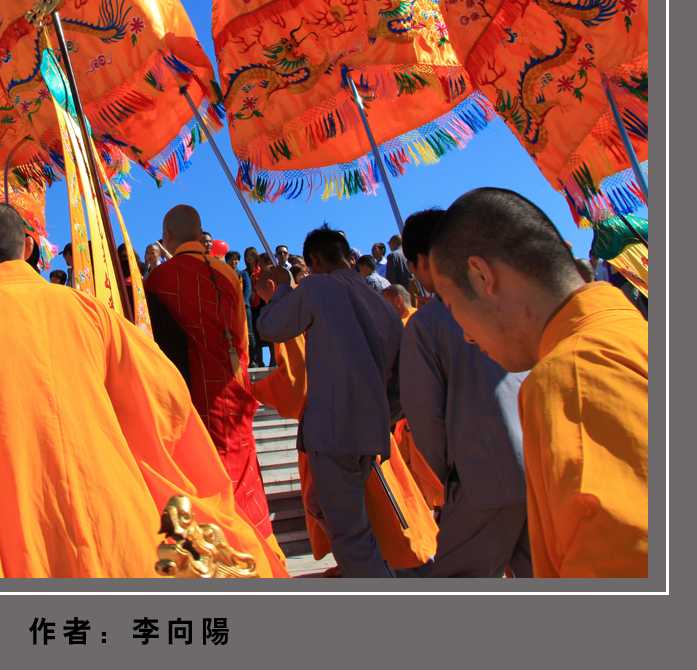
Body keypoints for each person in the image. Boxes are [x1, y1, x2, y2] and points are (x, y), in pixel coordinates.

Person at [0, 203, 289, 578]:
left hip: (25, 506)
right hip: (111, 502)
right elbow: (164, 391)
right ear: (28, 248)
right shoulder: (88, 308)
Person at [429, 188, 647, 578]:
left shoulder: (571, 376)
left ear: (481, 277)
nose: (465, 335)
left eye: (451, 306)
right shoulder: (630, 329)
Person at [256, 226, 404, 577]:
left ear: (316, 260)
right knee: (331, 509)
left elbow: (271, 327)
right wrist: (383, 417)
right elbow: (401, 378)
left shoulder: (317, 287)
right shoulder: (380, 304)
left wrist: (277, 293)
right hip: (370, 429)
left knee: (350, 532)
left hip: (334, 428)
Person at [395, 208, 531, 578]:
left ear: (423, 262)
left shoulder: (427, 324)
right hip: (540, 465)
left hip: (482, 472)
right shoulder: (511, 302)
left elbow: (424, 415)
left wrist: (449, 472)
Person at [144, 206, 274, 542]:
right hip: (233, 388)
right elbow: (243, 337)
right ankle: (260, 548)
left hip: (194, 398)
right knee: (244, 475)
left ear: (168, 237)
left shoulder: (159, 279)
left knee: (206, 482)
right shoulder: (229, 274)